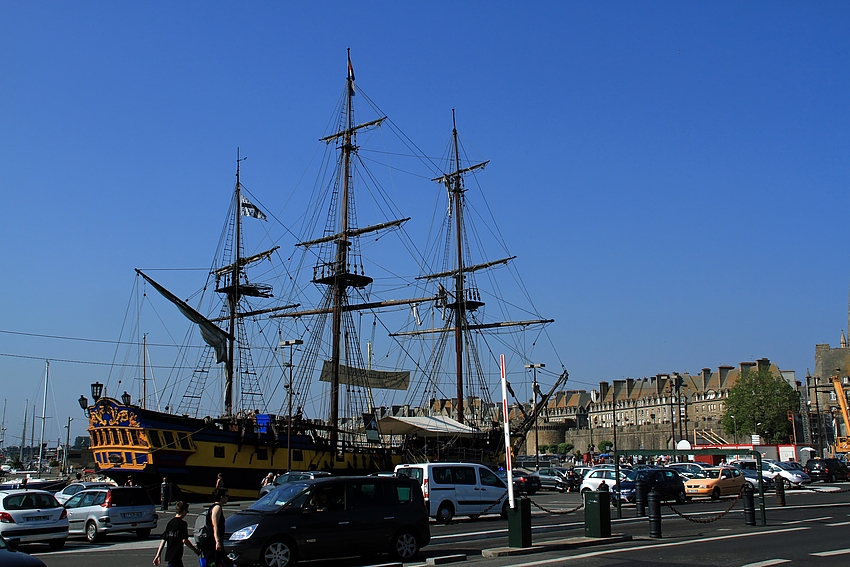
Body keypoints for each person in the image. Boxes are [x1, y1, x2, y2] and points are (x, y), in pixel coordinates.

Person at [153, 501, 199, 567]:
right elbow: (184, 540)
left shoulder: (170, 523)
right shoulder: (182, 524)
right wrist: (195, 550)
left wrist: (158, 554)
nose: (186, 514)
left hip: (170, 555)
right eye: (186, 511)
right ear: (183, 511)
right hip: (176, 555)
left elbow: (164, 539)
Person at [200, 488, 229, 567]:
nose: (228, 498)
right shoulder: (217, 508)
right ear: (221, 497)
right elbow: (215, 525)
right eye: (226, 496)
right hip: (212, 542)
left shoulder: (214, 507)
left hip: (212, 542)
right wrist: (217, 542)